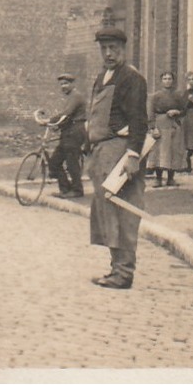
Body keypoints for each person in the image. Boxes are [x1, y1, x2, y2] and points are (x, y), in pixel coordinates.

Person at [84, 26, 148, 289]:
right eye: (104, 49)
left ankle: (124, 271)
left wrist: (133, 156)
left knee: (123, 211)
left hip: (121, 152)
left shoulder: (132, 79)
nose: (109, 53)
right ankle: (115, 267)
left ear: (123, 49)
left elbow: (139, 121)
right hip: (101, 152)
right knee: (106, 212)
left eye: (114, 49)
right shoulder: (102, 77)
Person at [46, 73, 86, 197]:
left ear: (73, 84)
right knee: (54, 162)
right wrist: (56, 125)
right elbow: (66, 117)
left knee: (71, 162)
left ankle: (77, 190)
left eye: (66, 83)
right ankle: (66, 189)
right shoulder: (70, 97)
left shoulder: (76, 96)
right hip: (68, 132)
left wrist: (49, 120)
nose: (63, 86)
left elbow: (66, 114)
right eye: (62, 84)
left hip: (75, 132)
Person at [147, 71, 188, 187]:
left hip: (175, 124)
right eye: (165, 78)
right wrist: (152, 128)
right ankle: (158, 178)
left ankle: (171, 178)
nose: (167, 81)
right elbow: (150, 112)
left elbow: (184, 110)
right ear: (161, 81)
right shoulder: (156, 96)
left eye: (169, 78)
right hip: (161, 124)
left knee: (174, 150)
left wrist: (177, 111)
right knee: (160, 151)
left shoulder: (178, 96)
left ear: (173, 81)